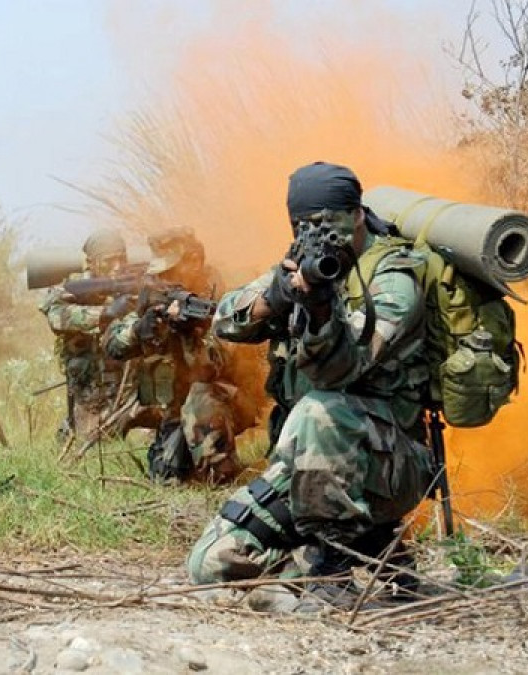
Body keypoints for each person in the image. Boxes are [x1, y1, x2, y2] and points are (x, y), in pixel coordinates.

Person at [186, 162, 433, 604]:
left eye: (332, 224)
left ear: (358, 213)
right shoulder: (298, 264)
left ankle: (333, 564)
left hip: (386, 463)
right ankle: (373, 545)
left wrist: (321, 309)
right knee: (210, 563)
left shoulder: (395, 278)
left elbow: (342, 370)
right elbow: (225, 318)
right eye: (308, 228)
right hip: (311, 465)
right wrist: (277, 297)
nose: (325, 239)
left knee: (322, 407)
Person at [103, 229, 244, 484]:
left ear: (195, 262)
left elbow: (219, 362)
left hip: (226, 401)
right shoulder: (159, 298)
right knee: (167, 475)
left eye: (171, 271)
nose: (165, 279)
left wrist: (190, 334)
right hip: (176, 408)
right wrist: (140, 329)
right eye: (161, 274)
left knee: (201, 399)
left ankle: (222, 475)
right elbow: (113, 345)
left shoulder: (223, 298)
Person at [39, 228, 155, 444]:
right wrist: (105, 313)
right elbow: (56, 315)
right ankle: (71, 428)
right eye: (109, 261)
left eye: (121, 259)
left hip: (130, 384)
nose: (117, 267)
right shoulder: (74, 285)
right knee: (93, 442)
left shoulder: (134, 280)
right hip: (91, 387)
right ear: (91, 263)